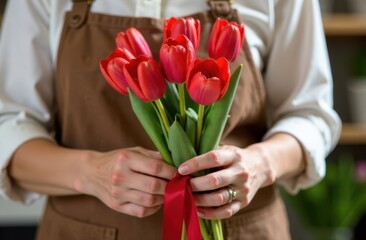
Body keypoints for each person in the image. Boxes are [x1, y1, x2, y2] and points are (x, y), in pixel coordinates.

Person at [0, 0, 341, 239]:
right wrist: (88, 173)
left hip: (242, 231)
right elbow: (8, 126)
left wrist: (260, 164)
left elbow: (311, 116)